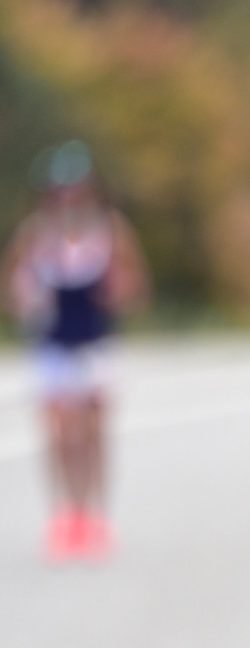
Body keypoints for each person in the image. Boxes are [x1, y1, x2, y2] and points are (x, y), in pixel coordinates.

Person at [4, 140, 149, 560]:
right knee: (58, 434)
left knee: (93, 433)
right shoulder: (34, 235)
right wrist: (26, 297)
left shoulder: (111, 231)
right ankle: (65, 517)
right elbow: (11, 289)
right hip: (53, 346)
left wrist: (118, 291)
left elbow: (136, 289)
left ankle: (95, 514)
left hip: (96, 343)